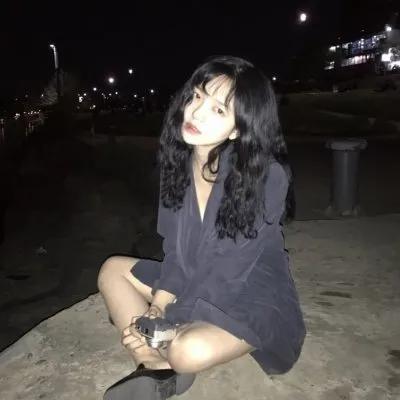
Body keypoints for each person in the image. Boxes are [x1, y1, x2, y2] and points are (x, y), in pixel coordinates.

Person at [98, 55, 306, 400]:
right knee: (111, 271)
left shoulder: (264, 175)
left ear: (239, 128)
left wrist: (171, 322)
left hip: (250, 291)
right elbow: (174, 253)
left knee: (187, 351)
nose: (196, 113)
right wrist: (157, 307)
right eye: (197, 97)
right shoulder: (179, 164)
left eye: (218, 110)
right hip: (192, 279)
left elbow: (229, 272)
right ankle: (152, 363)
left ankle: (166, 354)